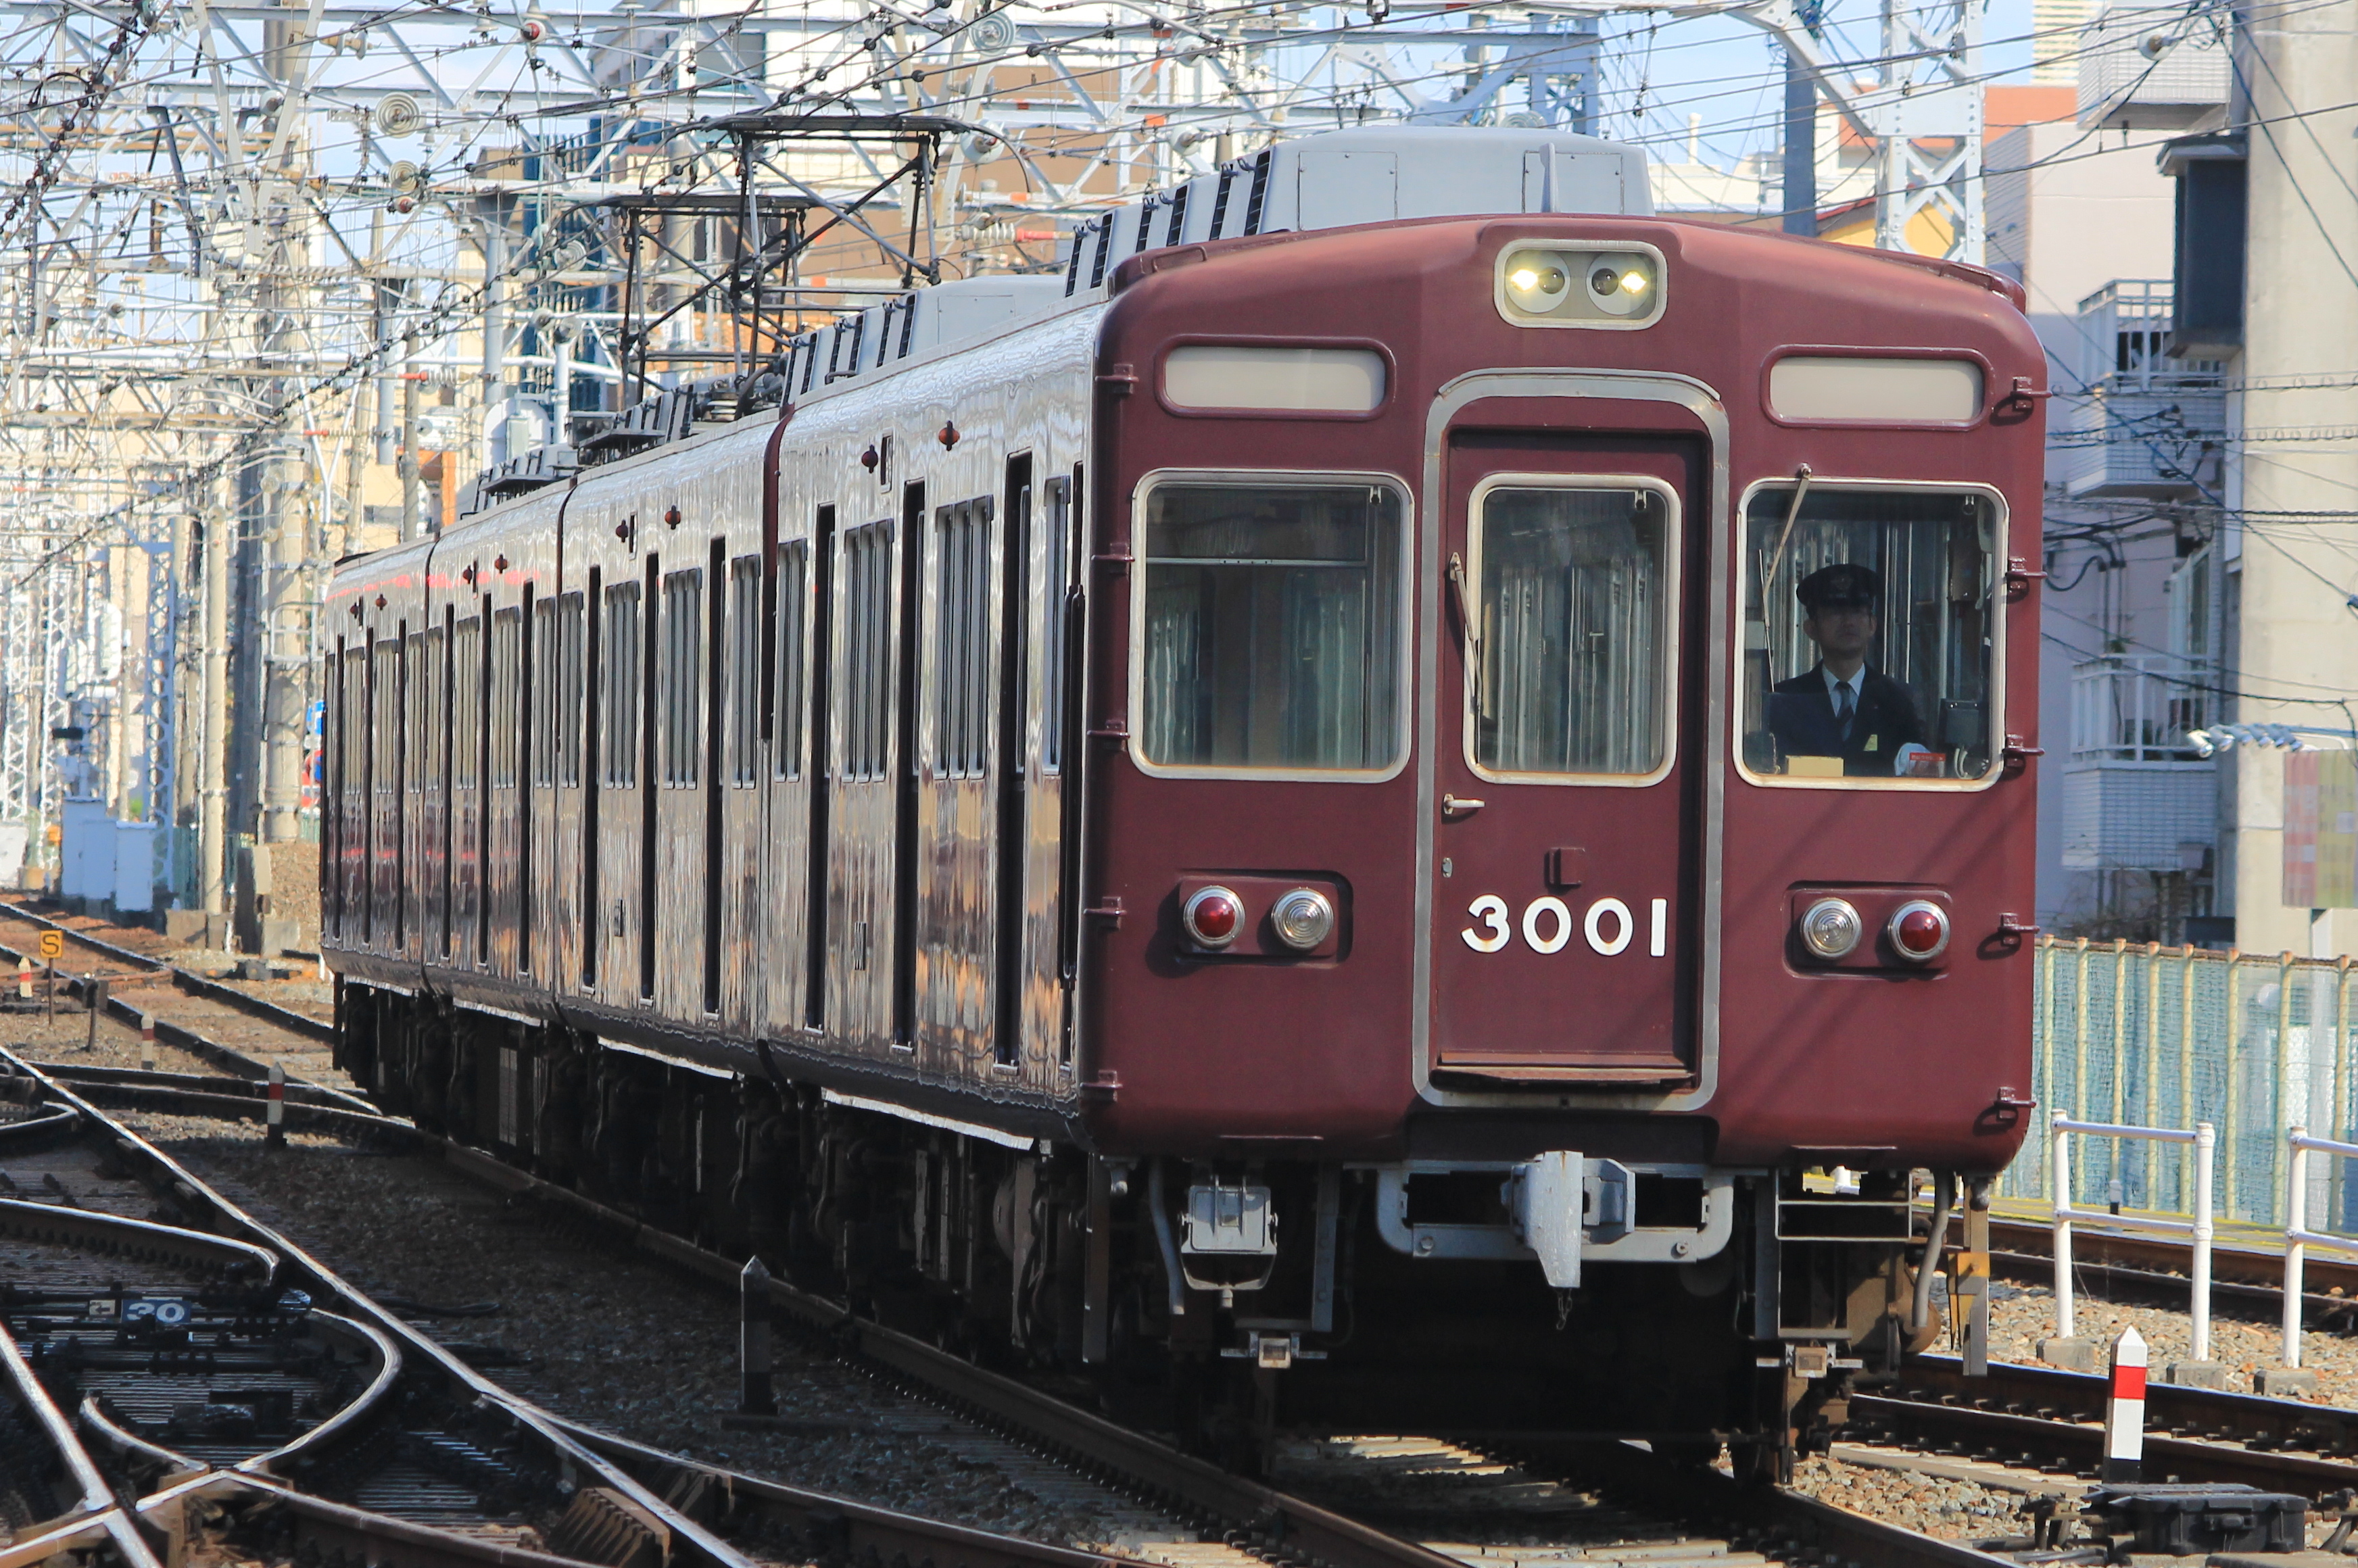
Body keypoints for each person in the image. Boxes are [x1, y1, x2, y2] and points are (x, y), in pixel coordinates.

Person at [1766, 562, 1929, 777]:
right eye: (1835, 612)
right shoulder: (1784, 700)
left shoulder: (1899, 701)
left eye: (1857, 611)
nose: (1848, 622)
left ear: (1872, 624)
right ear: (1811, 628)